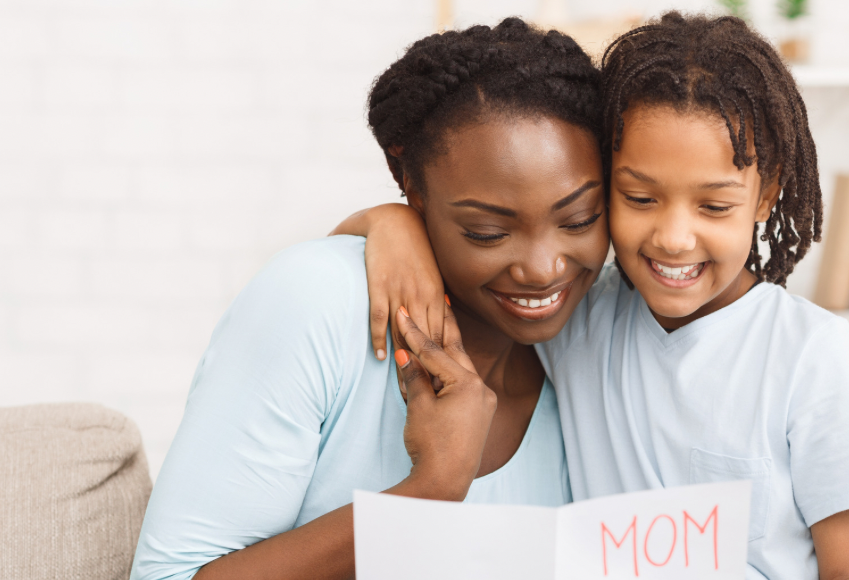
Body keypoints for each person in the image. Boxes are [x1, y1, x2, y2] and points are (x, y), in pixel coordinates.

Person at [338, 12, 849, 580]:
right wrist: (391, 221)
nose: (674, 239)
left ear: (765, 193)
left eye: (714, 206)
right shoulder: (581, 316)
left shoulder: (814, 354)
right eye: (640, 198)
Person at [130, 18, 610, 580]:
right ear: (406, 178)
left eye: (580, 219)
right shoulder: (316, 302)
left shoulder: (594, 345)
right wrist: (431, 490)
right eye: (487, 232)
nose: (543, 269)